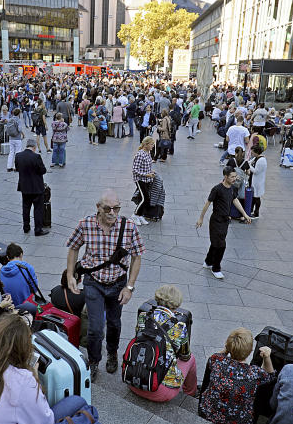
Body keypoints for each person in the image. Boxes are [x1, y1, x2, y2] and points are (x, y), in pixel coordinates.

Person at [66, 188, 145, 382]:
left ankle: (112, 352)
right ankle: (93, 361)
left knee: (114, 323)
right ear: (98, 208)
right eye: (108, 209)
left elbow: (137, 257)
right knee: (95, 327)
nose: (112, 213)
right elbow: (73, 248)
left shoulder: (129, 227)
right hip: (94, 282)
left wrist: (130, 287)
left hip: (118, 283)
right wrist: (70, 275)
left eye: (116, 209)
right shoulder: (85, 224)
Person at [198, 328, 276, 424]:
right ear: (250, 351)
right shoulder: (254, 373)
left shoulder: (217, 361)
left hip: (207, 412)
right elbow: (271, 376)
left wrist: (227, 349)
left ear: (228, 345)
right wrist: (266, 357)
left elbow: (214, 357)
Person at [127, 285, 197, 402]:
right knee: (191, 359)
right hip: (160, 393)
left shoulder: (143, 316)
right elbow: (185, 356)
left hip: (133, 382)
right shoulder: (179, 326)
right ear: (177, 305)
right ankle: (190, 394)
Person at [195, 167, 252, 280]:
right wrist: (201, 218)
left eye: (235, 176)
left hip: (225, 221)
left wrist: (245, 214)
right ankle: (216, 268)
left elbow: (234, 200)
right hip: (216, 220)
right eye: (232, 177)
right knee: (221, 245)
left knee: (216, 243)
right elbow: (208, 203)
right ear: (225, 177)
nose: (234, 179)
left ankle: (208, 261)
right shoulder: (217, 189)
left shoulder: (232, 189)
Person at [15, 138, 47, 236]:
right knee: (38, 209)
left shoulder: (18, 156)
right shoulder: (36, 157)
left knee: (26, 208)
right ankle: (38, 229)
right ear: (34, 147)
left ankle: (26, 227)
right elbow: (43, 170)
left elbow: (17, 168)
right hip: (36, 187)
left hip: (24, 187)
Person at [0, 243, 41, 310]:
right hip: (25, 305)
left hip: (8, 306)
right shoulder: (27, 268)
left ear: (7, 257)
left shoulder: (1, 271)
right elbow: (34, 288)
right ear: (21, 255)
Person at [132, 136, 159, 225]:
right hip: (140, 180)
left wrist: (151, 171)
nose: (152, 146)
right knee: (145, 198)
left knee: (144, 198)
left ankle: (140, 215)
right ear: (146, 144)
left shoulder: (148, 153)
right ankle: (135, 215)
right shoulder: (140, 154)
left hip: (147, 179)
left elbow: (146, 166)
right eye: (151, 144)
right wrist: (147, 174)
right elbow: (135, 170)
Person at [246, 143, 267, 219]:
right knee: (253, 196)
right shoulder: (256, 158)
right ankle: (251, 210)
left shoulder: (261, 160)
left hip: (258, 181)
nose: (251, 153)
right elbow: (249, 162)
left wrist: (249, 166)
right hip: (253, 180)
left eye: (252, 152)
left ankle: (256, 213)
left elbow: (256, 171)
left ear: (256, 152)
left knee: (257, 197)